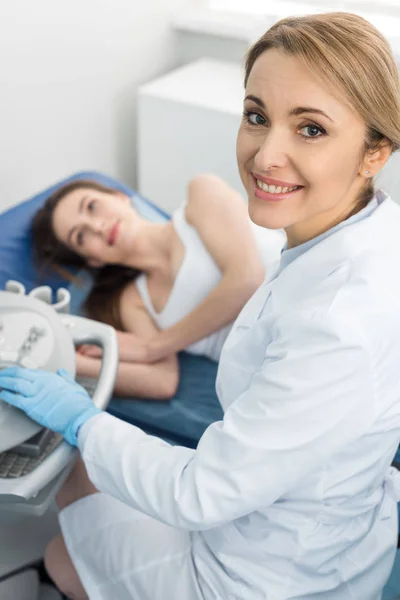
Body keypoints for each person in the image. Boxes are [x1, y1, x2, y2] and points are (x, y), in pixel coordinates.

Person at [1, 11, 400, 600]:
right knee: (85, 488)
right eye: (256, 117)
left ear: (375, 151)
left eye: (310, 128)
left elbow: (199, 492)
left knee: (64, 550)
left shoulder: (329, 316)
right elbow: (151, 367)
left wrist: (80, 417)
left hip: (269, 575)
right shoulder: (349, 241)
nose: (266, 156)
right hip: (330, 527)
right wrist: (59, 352)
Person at [31, 174, 284, 398]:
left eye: (92, 206)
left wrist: (151, 348)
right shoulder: (132, 301)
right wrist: (68, 360)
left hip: (308, 302)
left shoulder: (201, 195)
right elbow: (162, 382)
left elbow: (246, 279)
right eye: (81, 236)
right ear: (93, 260)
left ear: (120, 197)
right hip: (274, 371)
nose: (97, 226)